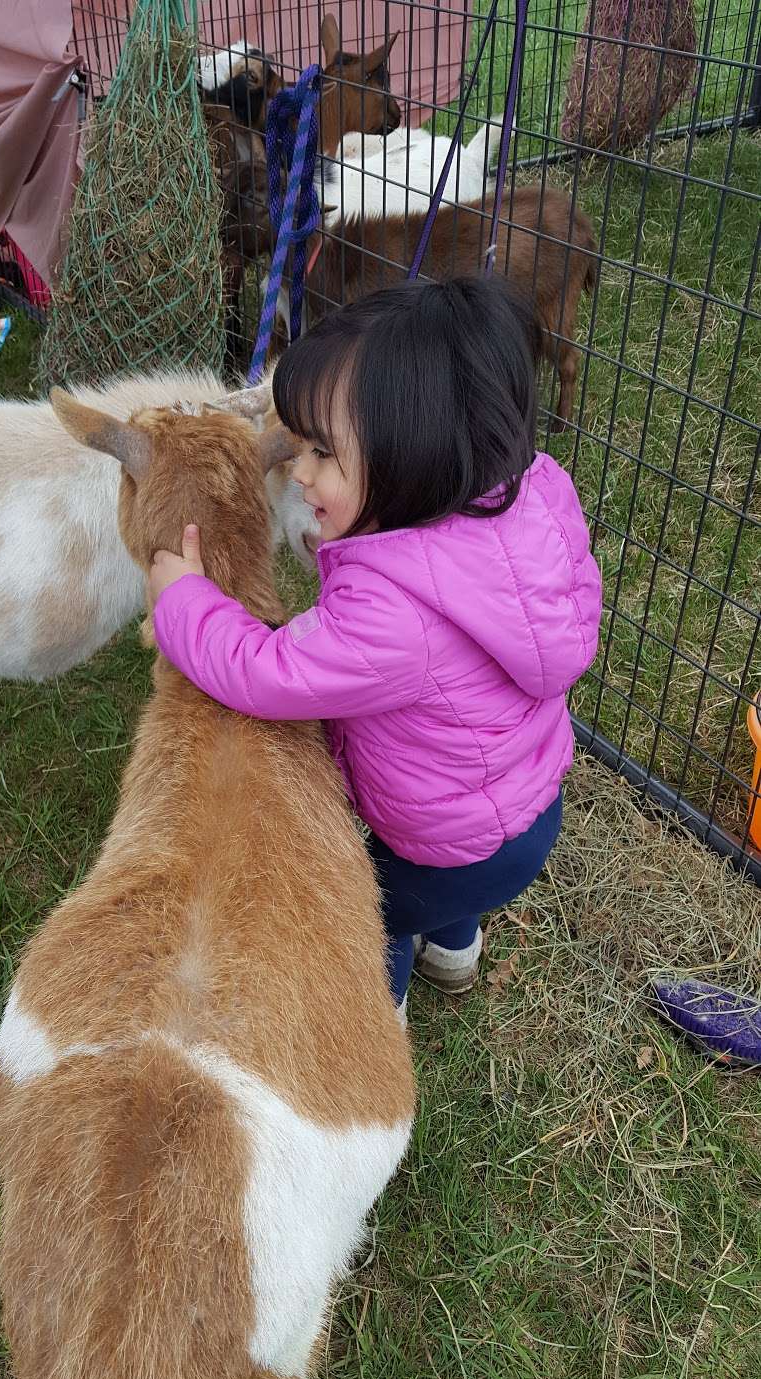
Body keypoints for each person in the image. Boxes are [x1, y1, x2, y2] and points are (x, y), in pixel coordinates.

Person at [149, 275, 602, 1019]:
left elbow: (268, 673)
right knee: (446, 886)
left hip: (447, 843)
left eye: (323, 454)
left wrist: (185, 602)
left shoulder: (392, 612)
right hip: (525, 805)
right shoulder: (529, 503)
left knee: (372, 908)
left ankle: (373, 1024)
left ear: (409, 459)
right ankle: (455, 953)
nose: (300, 473)